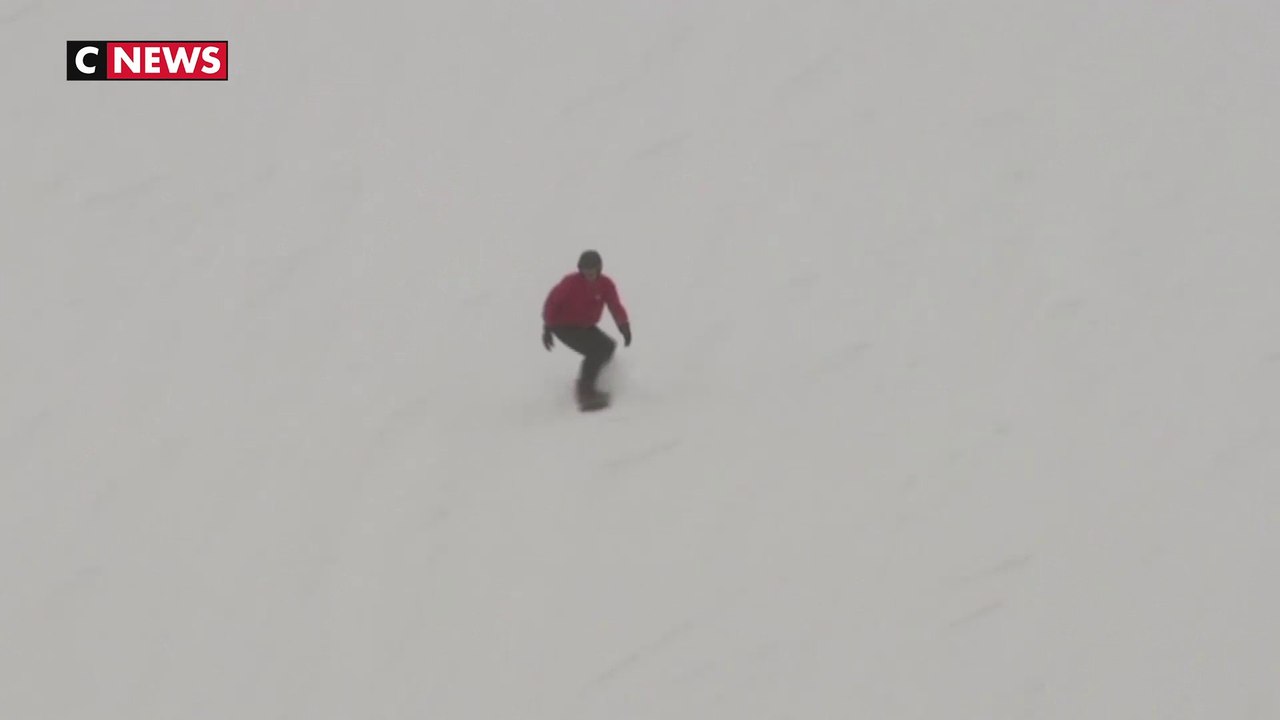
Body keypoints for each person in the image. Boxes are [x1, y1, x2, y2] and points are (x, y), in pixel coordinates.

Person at [542, 250, 632, 403]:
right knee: (596, 351)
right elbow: (552, 302)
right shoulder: (570, 283)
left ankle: (595, 381)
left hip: (584, 326)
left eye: (592, 270)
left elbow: (615, 305)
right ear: (580, 270)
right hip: (563, 326)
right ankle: (585, 392)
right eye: (585, 271)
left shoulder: (606, 285)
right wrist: (547, 328)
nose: (589, 274)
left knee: (609, 346)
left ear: (599, 269)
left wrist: (623, 325)